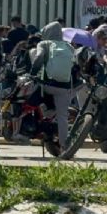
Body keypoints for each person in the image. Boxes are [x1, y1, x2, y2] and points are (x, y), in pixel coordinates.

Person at [30, 21, 77, 150]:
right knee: (63, 117)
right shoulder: (69, 47)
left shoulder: (44, 44)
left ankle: (40, 125)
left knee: (32, 98)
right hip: (64, 86)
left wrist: (32, 73)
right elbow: (74, 65)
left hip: (48, 85)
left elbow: (38, 58)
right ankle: (64, 147)